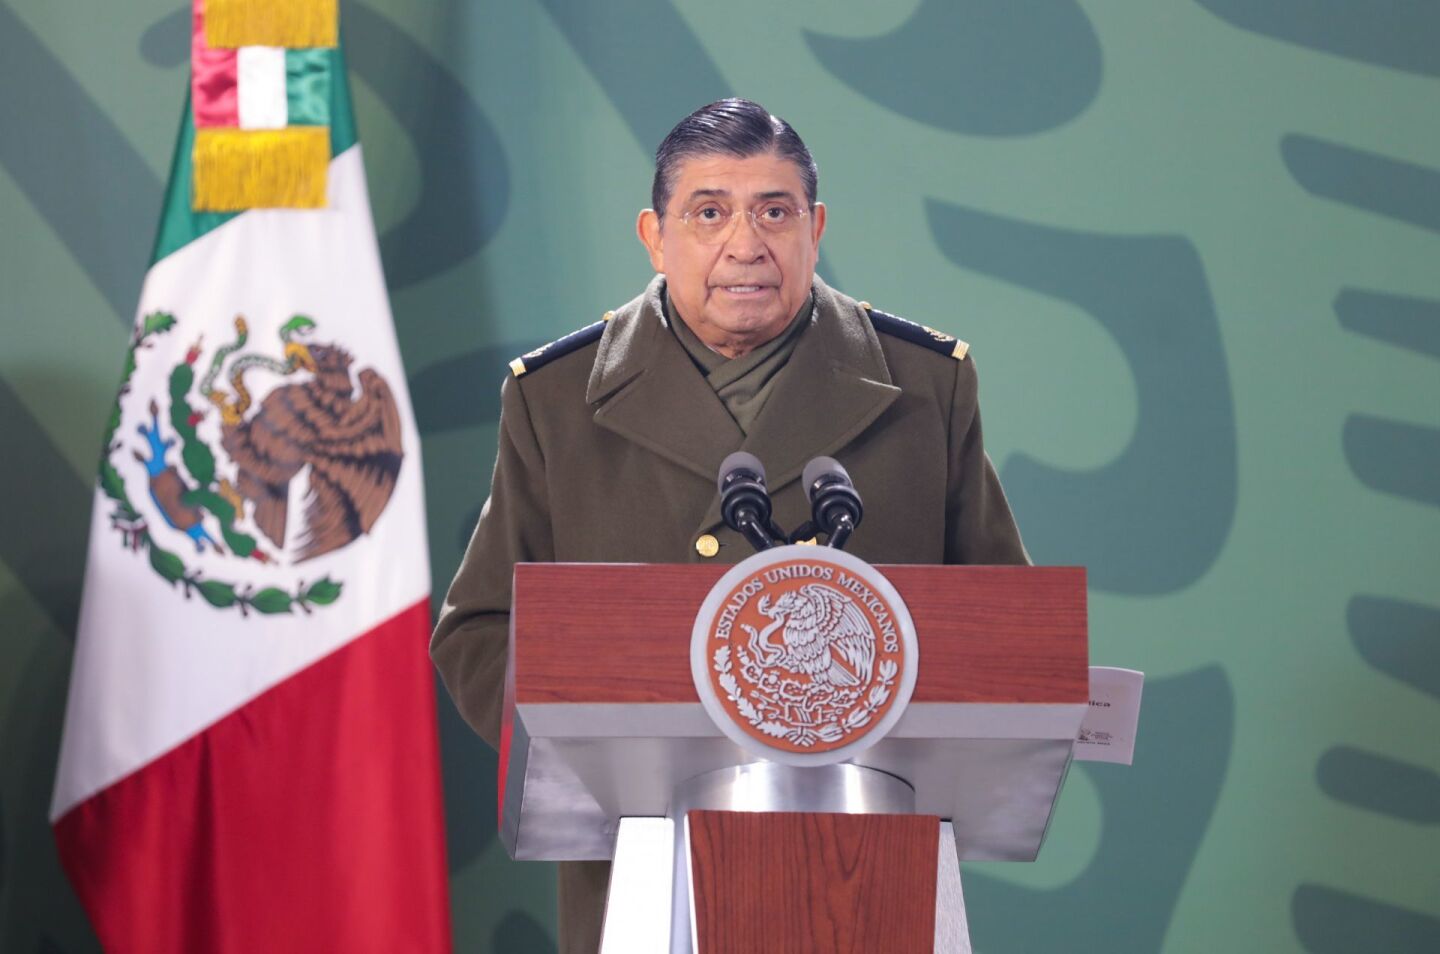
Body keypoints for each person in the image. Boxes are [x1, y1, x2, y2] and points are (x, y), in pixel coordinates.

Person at [431, 98, 1028, 954]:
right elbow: (479, 630)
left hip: (868, 857)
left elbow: (1001, 625)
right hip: (642, 861)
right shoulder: (554, 399)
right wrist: (593, 751)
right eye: (709, 212)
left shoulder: (927, 387)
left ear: (814, 228)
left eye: (774, 211)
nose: (745, 243)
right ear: (655, 235)